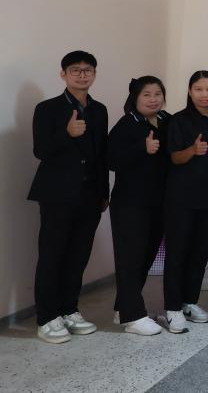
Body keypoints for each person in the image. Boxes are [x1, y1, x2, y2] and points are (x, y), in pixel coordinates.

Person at [30, 51, 109, 344]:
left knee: (78, 255)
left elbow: (101, 153)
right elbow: (40, 150)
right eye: (75, 70)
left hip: (90, 195)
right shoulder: (47, 108)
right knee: (52, 255)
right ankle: (46, 317)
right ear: (63, 74)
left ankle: (68, 309)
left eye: (88, 70)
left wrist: (104, 192)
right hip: (58, 195)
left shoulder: (99, 110)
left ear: (94, 74)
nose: (82, 74)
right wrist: (67, 133)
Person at [165, 70, 208, 334]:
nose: (204, 94)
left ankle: (189, 301)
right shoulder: (178, 120)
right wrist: (192, 150)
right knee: (177, 252)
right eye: (198, 89)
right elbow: (174, 157)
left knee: (199, 251)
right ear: (190, 92)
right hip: (180, 196)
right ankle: (172, 308)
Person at [107, 76, 170, 336]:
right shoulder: (127, 124)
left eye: (157, 94)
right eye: (147, 94)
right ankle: (133, 317)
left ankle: (123, 308)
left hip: (157, 202)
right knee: (130, 259)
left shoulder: (166, 120)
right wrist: (142, 148)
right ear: (135, 98)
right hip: (130, 204)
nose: (153, 99)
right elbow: (110, 159)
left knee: (145, 257)